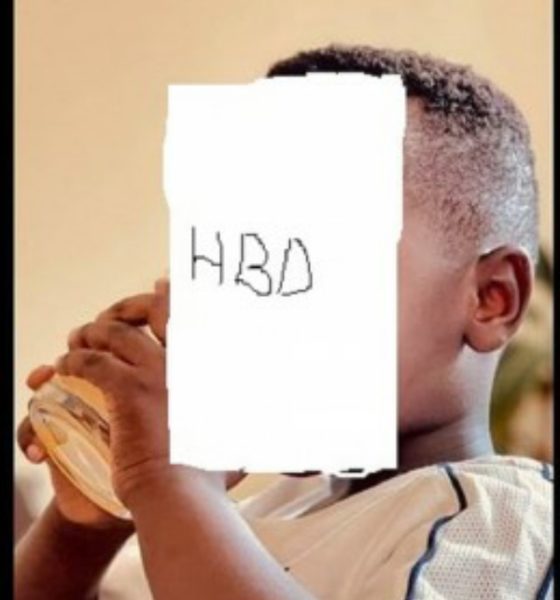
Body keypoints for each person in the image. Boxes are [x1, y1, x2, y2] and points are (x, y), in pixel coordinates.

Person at [15, 46, 552, 599]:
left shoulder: (509, 523)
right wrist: (85, 529)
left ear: (491, 298)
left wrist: (165, 478)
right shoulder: (246, 522)